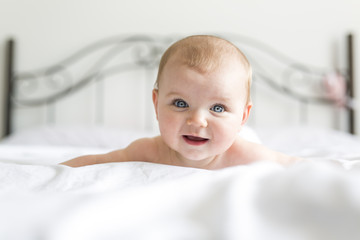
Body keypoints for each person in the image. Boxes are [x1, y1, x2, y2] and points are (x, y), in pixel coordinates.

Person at [61, 35, 298, 169]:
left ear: (243, 117)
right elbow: (97, 161)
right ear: (156, 104)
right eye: (181, 103)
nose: (197, 120)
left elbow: (296, 165)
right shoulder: (147, 150)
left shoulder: (248, 156)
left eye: (217, 108)